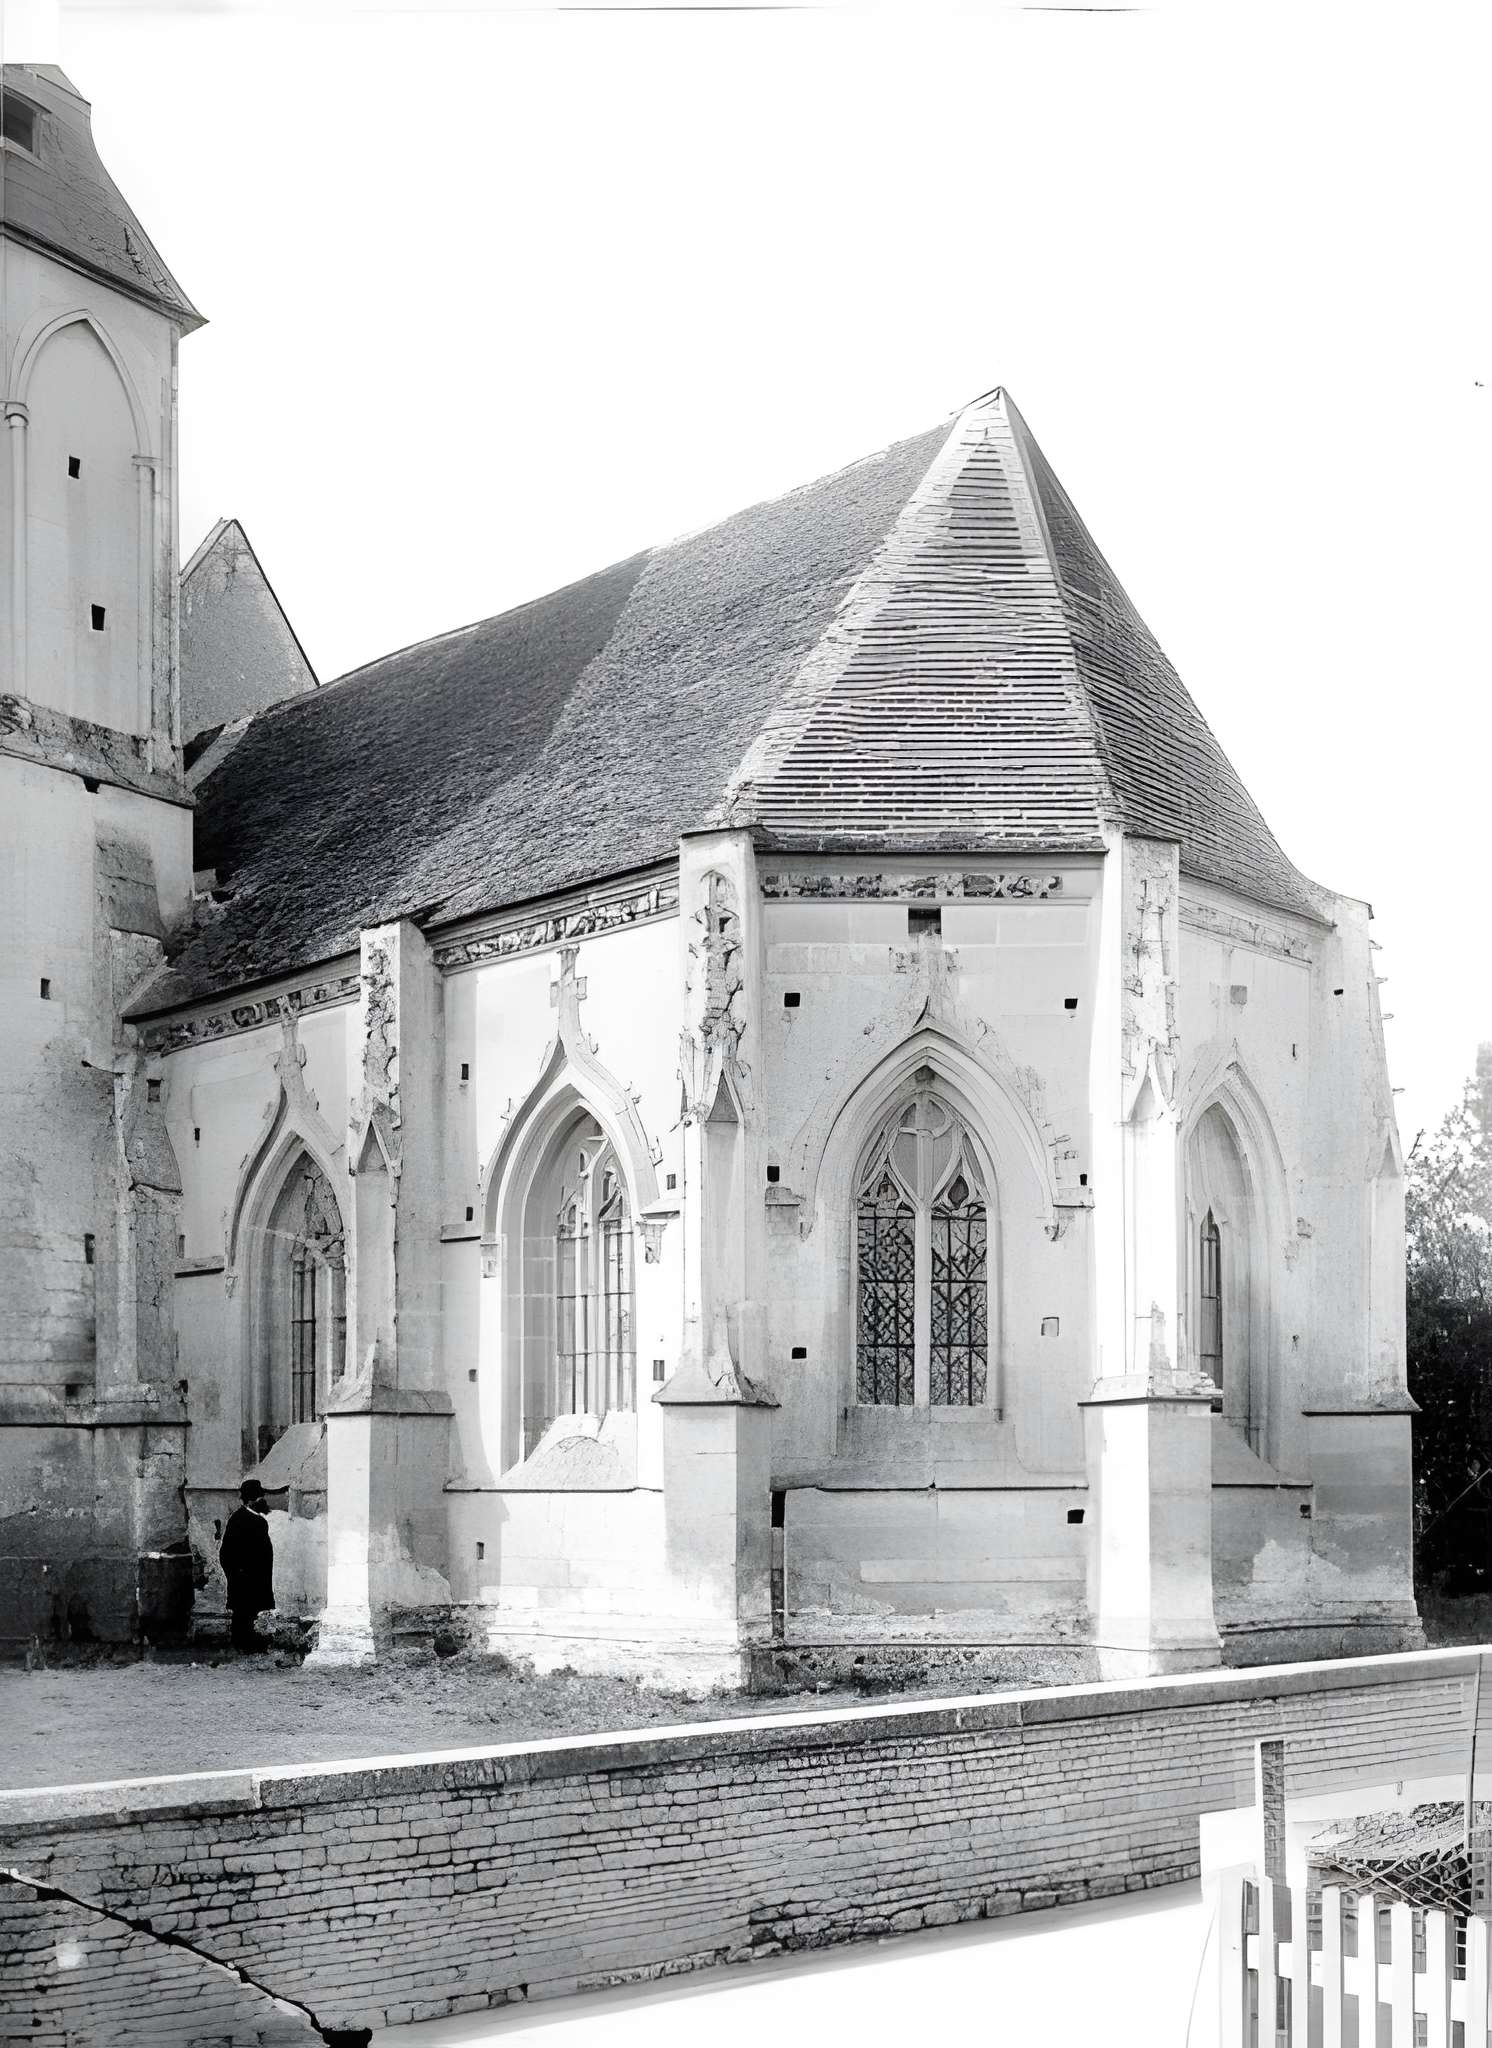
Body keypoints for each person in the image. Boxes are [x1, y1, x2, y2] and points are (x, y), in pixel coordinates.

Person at [219, 1479, 276, 1652]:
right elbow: (226, 1553)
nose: (263, 1500)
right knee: (243, 1610)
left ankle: (250, 1642)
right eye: (260, 1497)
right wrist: (237, 1573)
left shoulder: (257, 1520)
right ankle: (242, 1644)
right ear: (251, 1499)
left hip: (257, 1576)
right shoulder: (239, 1520)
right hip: (244, 1577)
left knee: (253, 1610)